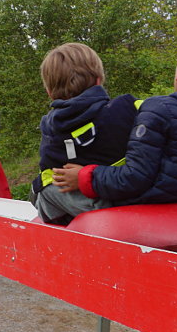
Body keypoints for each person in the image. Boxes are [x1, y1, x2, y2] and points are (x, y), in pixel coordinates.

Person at [52, 27, 177, 215]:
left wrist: (84, 177)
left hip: (146, 208)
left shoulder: (159, 109)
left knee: (48, 195)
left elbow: (133, 179)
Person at [30, 42, 139, 225]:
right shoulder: (128, 109)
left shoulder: (51, 129)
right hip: (132, 196)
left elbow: (49, 172)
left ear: (49, 93)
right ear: (98, 80)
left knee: (43, 190)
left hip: (94, 208)